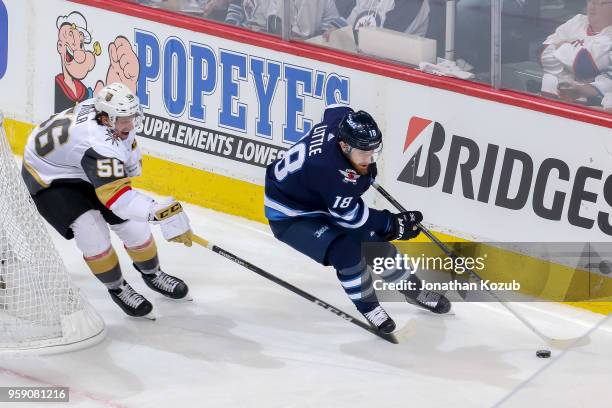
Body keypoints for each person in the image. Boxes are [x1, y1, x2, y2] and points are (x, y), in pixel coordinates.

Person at [264, 105, 450, 334]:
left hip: (319, 198)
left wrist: (388, 227)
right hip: (290, 215)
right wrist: (392, 224)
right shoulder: (330, 172)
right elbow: (352, 218)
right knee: (347, 252)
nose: (370, 158)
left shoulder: (343, 123)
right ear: (343, 145)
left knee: (375, 245)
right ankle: (369, 307)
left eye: (373, 151)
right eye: (363, 153)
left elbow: (332, 109)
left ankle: (414, 291)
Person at [22, 83, 192, 319]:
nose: (130, 124)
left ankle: (153, 274)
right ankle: (118, 288)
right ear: (105, 118)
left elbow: (127, 154)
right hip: (49, 178)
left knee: (133, 226)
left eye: (133, 116)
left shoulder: (111, 117)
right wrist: (157, 211)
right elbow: (119, 200)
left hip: (77, 165)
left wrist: (131, 165)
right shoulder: (98, 142)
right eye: (124, 119)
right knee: (91, 231)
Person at [540, 0, 612, 106]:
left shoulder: (609, 35)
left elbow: (584, 66)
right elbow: (542, 54)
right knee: (551, 79)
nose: (592, 7)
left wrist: (561, 46)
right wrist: (571, 66)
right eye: (591, 1)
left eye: (600, 3)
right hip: (546, 102)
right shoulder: (578, 21)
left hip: (585, 107)